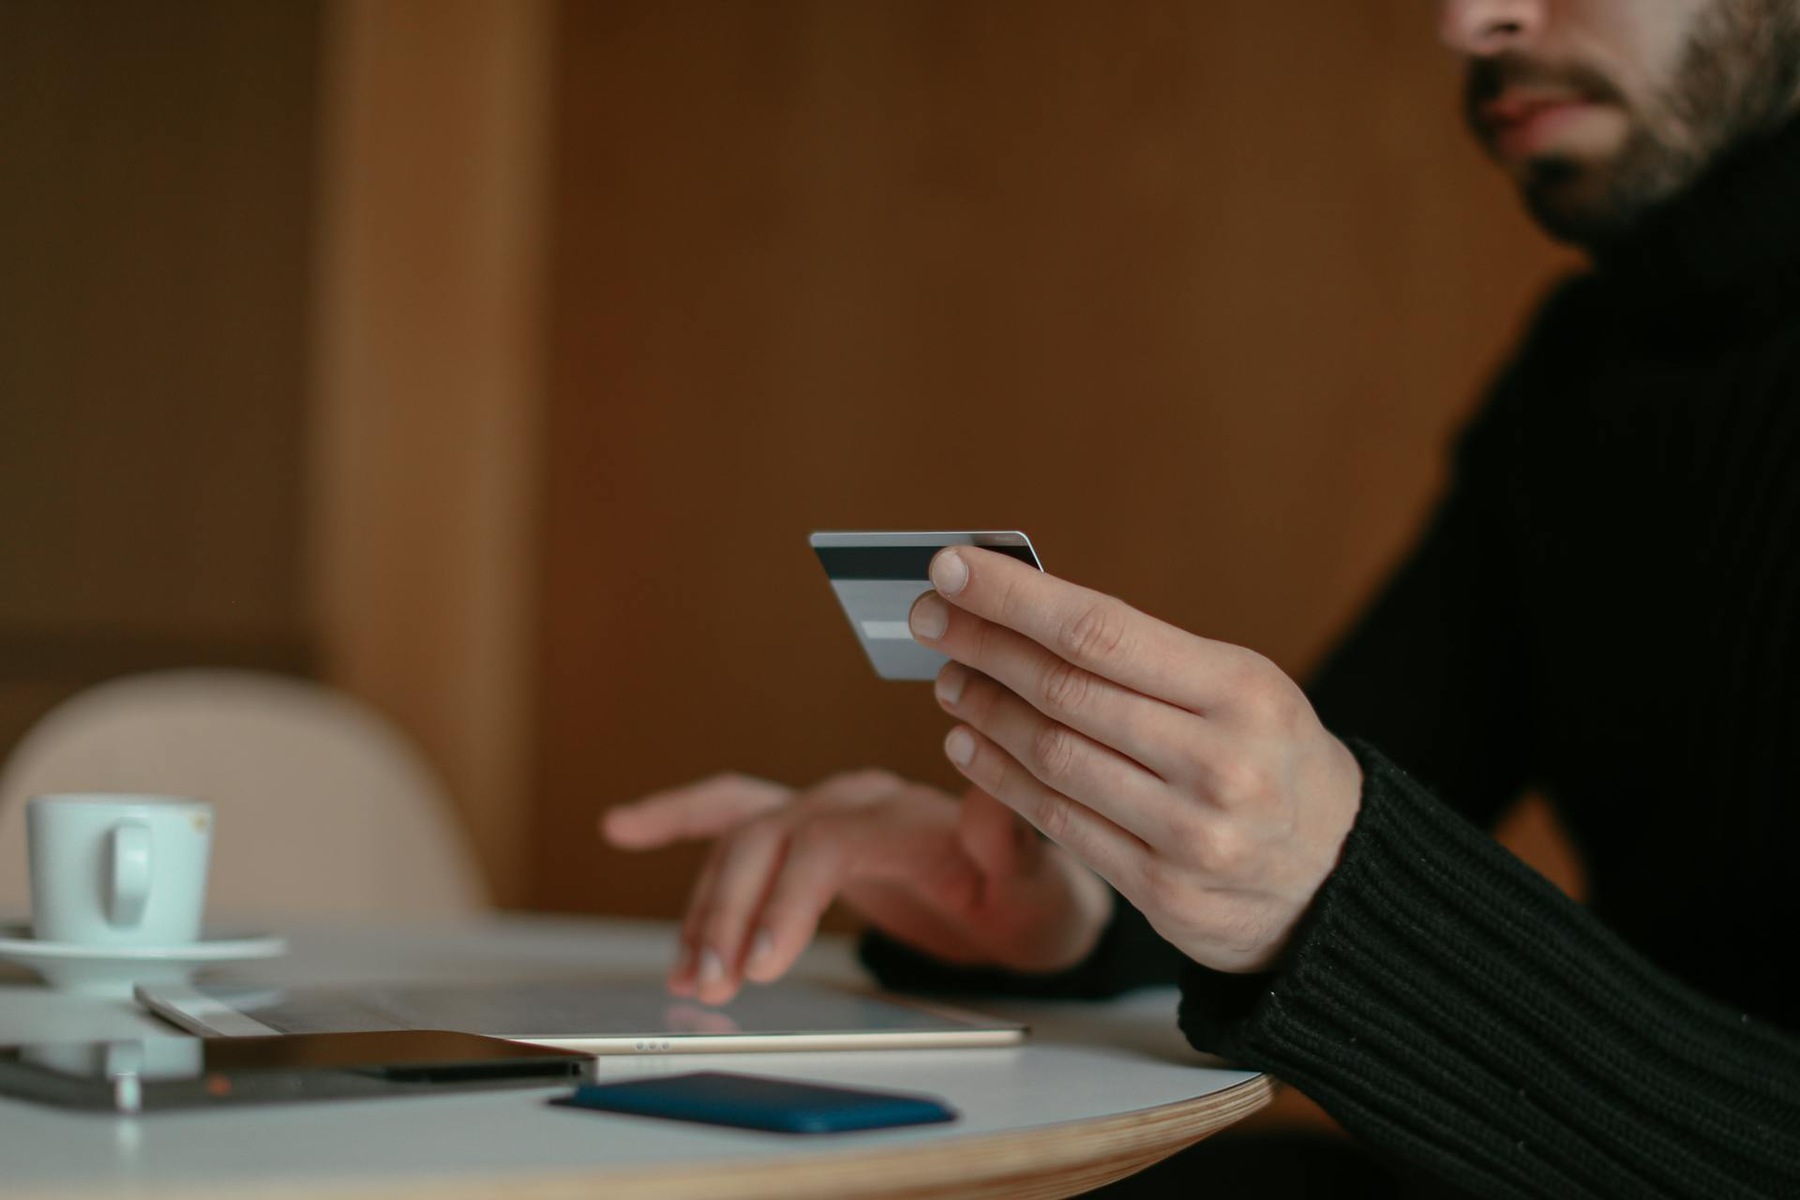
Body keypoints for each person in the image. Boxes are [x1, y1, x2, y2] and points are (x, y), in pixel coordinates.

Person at [602, 1, 1800, 1195]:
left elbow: (1333, 851)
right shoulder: (1588, 372)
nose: (1470, 21)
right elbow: (1364, 772)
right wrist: (1066, 899)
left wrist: (1335, 889)